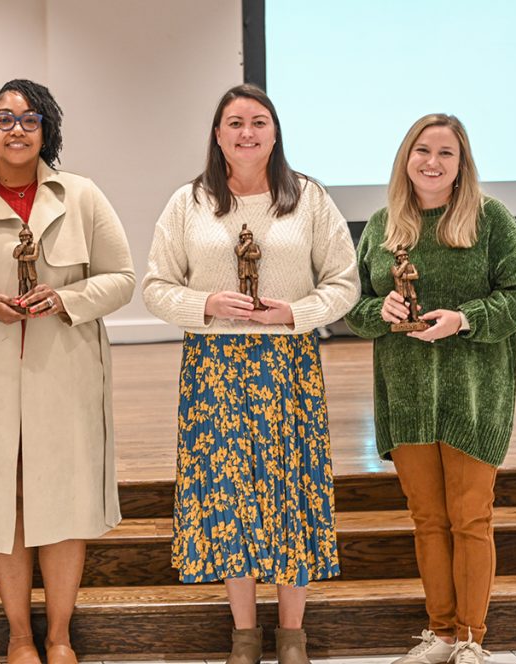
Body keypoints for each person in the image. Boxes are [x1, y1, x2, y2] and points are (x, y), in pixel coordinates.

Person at [0, 79, 134, 664]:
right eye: (3, 119)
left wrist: (66, 300)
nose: (17, 129)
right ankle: (18, 636)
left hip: (64, 375)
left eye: (30, 119)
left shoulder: (81, 196)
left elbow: (122, 278)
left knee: (64, 502)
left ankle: (59, 636)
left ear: (47, 130)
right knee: (2, 499)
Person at [142, 84, 358, 664]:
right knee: (230, 496)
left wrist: (296, 313)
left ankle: (292, 636)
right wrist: (206, 304)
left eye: (258, 121)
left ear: (275, 131)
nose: (247, 132)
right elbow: (156, 287)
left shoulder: (308, 198)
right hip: (215, 370)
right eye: (234, 122)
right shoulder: (187, 202)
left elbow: (344, 281)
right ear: (217, 134)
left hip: (287, 368)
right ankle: (244, 634)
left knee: (290, 492)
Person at [344, 114, 516, 664]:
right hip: (408, 396)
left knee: (471, 515)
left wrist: (464, 319)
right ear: (406, 157)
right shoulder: (381, 225)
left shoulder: (491, 220)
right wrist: (382, 308)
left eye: (446, 153)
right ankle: (441, 634)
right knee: (427, 517)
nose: (432, 162)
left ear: (462, 163)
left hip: (474, 393)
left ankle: (472, 640)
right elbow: (352, 307)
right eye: (422, 150)